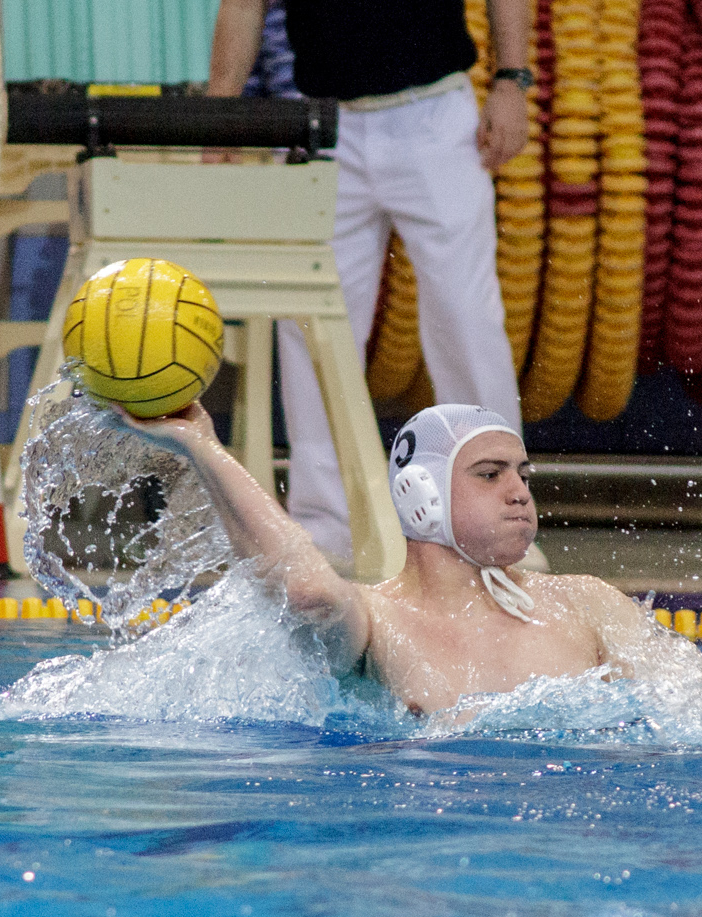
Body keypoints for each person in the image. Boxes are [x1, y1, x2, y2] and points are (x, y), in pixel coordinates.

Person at [121, 400, 702, 723]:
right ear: (419, 495)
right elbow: (309, 594)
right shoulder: (378, 622)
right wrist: (203, 447)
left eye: (522, 474)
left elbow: (701, 714)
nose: (519, 491)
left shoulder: (583, 601)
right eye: (489, 474)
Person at [206, 0, 535, 570]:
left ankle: (499, 523)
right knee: (310, 329)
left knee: (467, 321)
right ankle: (324, 528)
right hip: (323, 126)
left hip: (435, 117)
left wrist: (511, 81)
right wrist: (224, 99)